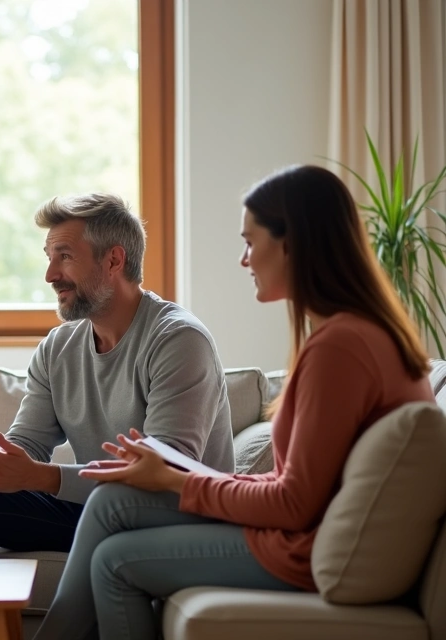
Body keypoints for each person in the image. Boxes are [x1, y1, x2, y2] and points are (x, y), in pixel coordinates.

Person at [35, 165, 435, 640]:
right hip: (306, 531)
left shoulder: (340, 347)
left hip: (306, 548)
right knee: (111, 504)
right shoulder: (352, 334)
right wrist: (184, 476)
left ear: (292, 243)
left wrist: (172, 478)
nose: (245, 260)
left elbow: (293, 504)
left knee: (112, 555)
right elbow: (305, 483)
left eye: (251, 241)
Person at [0, 193, 236, 640]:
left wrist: (44, 478)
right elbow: (24, 446)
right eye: (48, 257)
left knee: (111, 506)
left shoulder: (177, 340)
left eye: (65, 257)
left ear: (113, 260)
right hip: (98, 508)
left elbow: (166, 470)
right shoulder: (58, 347)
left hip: (173, 516)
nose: (50, 275)